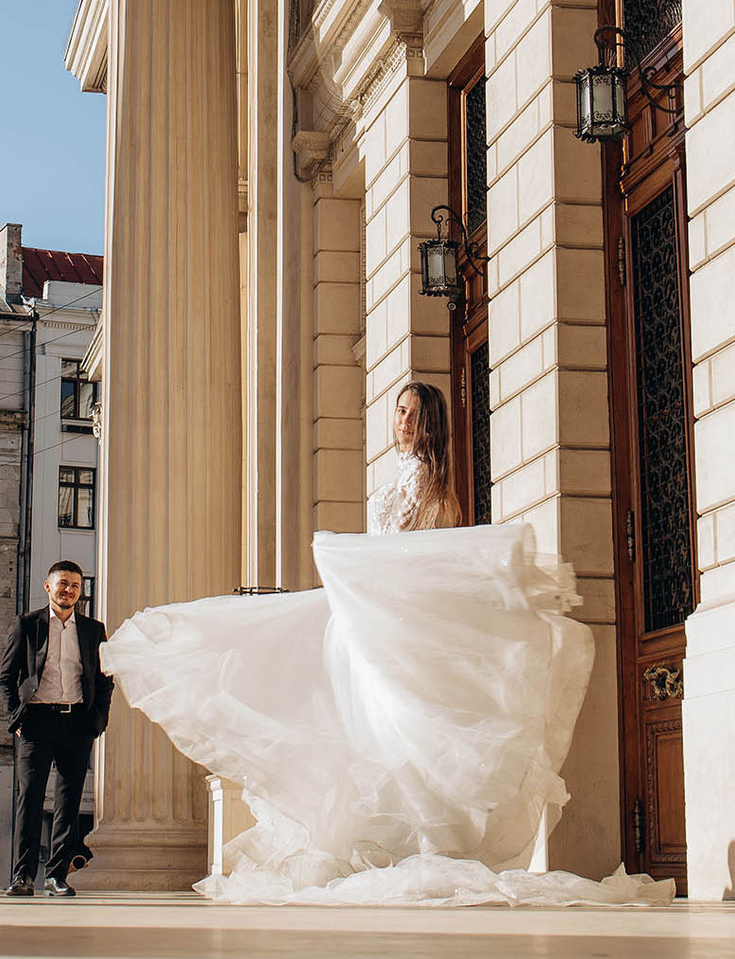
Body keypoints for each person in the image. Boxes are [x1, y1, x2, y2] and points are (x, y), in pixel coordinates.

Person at [97, 382, 672, 907]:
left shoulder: (422, 478)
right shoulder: (416, 474)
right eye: (397, 409)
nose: (398, 419)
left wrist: (352, 567)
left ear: (427, 424)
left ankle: (403, 845)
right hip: (378, 611)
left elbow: (403, 550)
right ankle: (402, 844)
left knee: (376, 723)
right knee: (366, 721)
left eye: (410, 413)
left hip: (385, 612)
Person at [0, 559, 110, 897]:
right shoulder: (27, 625)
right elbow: (6, 677)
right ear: (48, 587)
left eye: (75, 585)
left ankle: (57, 876)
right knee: (29, 800)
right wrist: (14, 718)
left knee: (69, 802)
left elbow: (105, 679)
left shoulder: (93, 630)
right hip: (36, 721)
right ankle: (22, 877)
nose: (69, 590)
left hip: (77, 722)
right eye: (63, 584)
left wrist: (97, 721)